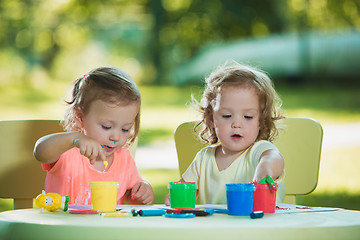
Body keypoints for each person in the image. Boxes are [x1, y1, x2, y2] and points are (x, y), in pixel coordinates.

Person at [165, 61, 285, 205]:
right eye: (227, 116)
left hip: (258, 225)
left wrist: (265, 169)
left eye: (248, 117)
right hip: (216, 227)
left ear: (261, 121)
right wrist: (176, 196)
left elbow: (274, 158)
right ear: (211, 119)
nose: (237, 124)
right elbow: (185, 189)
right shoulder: (204, 159)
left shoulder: (259, 152)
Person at [34, 66, 154, 205]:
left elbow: (130, 196)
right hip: (65, 226)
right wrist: (74, 139)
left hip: (105, 227)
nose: (116, 137)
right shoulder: (67, 151)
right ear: (80, 117)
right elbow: (40, 152)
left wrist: (142, 192)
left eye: (125, 129)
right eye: (106, 127)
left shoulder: (124, 159)